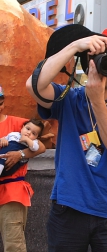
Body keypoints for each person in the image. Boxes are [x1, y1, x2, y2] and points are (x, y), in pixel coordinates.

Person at [26, 24, 107, 251]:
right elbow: (34, 86)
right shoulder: (69, 97)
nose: (105, 68)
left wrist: (97, 100)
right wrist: (75, 46)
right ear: (86, 64)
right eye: (99, 61)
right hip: (68, 208)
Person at [0, 86, 46, 252]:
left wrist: (20, 154)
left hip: (11, 191)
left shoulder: (20, 124)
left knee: (14, 244)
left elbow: (40, 147)